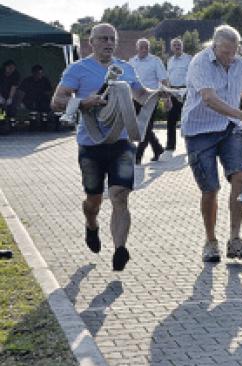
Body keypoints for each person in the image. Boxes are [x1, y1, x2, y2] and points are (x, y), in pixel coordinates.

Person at [50, 24, 161, 271]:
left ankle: (120, 249)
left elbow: (141, 94)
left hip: (121, 142)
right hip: (91, 144)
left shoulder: (126, 69)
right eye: (103, 38)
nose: (108, 43)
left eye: (112, 39)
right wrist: (83, 101)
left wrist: (160, 93)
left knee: (120, 195)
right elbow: (57, 102)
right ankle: (91, 225)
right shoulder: (77, 69)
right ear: (91, 42)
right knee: (94, 199)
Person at [182, 25, 242, 263]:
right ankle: (210, 242)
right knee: (210, 189)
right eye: (225, 52)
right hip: (200, 131)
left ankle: (235, 239)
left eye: (234, 52)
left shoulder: (240, 64)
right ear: (214, 46)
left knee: (240, 176)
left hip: (230, 128)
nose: (229, 58)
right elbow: (209, 99)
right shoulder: (201, 62)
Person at [129, 38, 167, 164]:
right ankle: (158, 148)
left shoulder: (155, 61)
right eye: (142, 47)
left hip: (151, 98)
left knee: (145, 126)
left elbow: (163, 80)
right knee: (141, 126)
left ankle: (138, 156)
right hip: (135, 97)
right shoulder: (131, 61)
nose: (144, 49)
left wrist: (167, 98)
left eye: (146, 47)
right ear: (137, 48)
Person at [164, 38, 192, 153]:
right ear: (171, 48)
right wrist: (167, 94)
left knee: (186, 120)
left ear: (182, 46)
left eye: (179, 45)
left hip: (185, 92)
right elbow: (168, 77)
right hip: (173, 92)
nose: (177, 47)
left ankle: (189, 145)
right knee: (171, 120)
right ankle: (170, 145)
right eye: (175, 45)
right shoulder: (169, 60)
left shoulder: (188, 59)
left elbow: (192, 75)